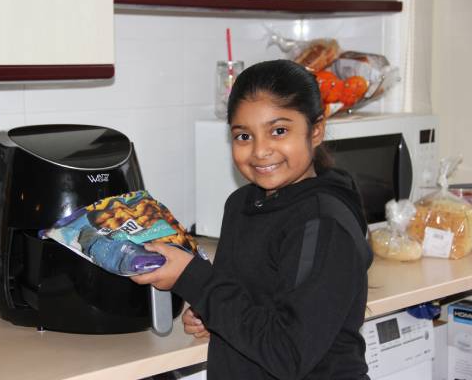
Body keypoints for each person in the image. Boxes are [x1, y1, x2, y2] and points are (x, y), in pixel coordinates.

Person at [132, 59, 373, 379]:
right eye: (244, 136)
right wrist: (209, 313)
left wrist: (195, 279)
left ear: (316, 131)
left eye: (279, 131)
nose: (260, 151)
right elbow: (252, 300)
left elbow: (287, 353)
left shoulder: (321, 223)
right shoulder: (242, 204)